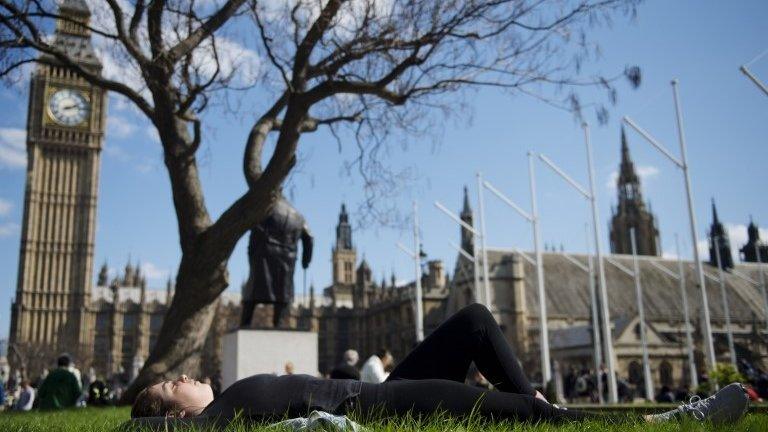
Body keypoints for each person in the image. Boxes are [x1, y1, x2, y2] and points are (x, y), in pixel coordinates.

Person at [129, 304, 750, 428]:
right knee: (507, 409)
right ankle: (675, 421)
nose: (182, 376)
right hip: (372, 407)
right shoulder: (215, 422)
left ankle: (546, 414)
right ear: (168, 414)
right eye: (170, 386)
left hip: (373, 389)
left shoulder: (229, 400)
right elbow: (137, 430)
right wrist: (154, 415)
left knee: (476, 319)